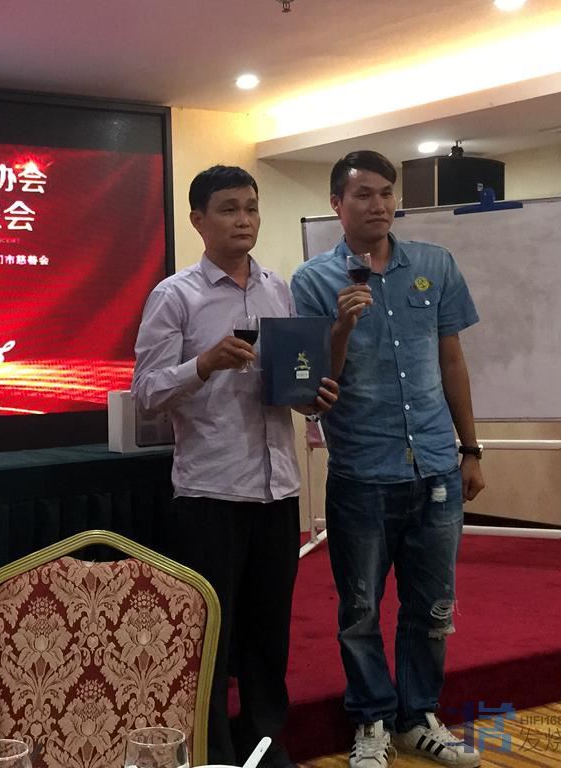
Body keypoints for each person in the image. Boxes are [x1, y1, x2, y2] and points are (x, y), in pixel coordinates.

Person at [133, 165, 339, 768]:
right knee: (210, 634)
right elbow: (145, 392)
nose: (244, 219)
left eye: (251, 207)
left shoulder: (278, 289)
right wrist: (204, 364)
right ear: (198, 220)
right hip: (211, 489)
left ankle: (265, 745)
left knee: (268, 633)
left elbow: (288, 378)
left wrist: (311, 396)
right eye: (228, 209)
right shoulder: (175, 296)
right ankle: (212, 750)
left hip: (278, 488)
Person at [290, 151, 486, 768]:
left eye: (386, 194)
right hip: (362, 472)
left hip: (435, 466)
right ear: (337, 205)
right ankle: (371, 719)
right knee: (359, 609)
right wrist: (341, 328)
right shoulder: (311, 281)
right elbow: (311, 386)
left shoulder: (434, 264)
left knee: (433, 605)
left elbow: (451, 359)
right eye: (363, 195)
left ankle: (418, 716)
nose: (378, 206)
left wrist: (470, 448)